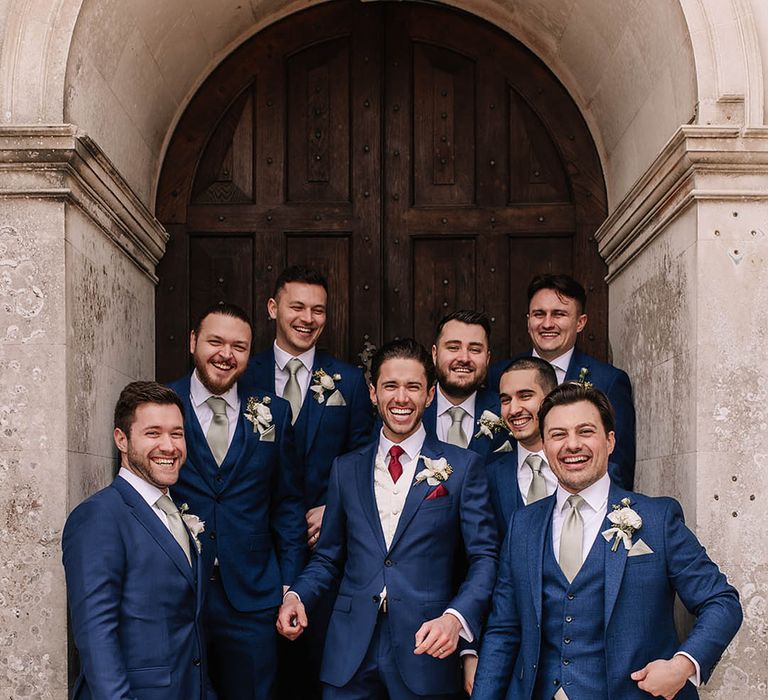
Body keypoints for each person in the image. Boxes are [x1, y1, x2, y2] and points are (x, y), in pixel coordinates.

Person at [471, 383, 742, 700]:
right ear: (544, 445)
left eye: (585, 431)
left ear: (610, 441)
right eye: (558, 435)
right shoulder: (523, 525)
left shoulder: (657, 518)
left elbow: (721, 602)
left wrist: (682, 666)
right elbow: (503, 629)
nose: (572, 445)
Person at [277, 339, 499, 699]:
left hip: (425, 646)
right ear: (372, 393)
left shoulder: (463, 467)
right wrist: (298, 597)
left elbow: (484, 558)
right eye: (390, 386)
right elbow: (328, 557)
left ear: (429, 396)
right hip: (349, 651)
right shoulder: (345, 469)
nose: (401, 398)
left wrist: (455, 619)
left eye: (413, 387)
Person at [242, 265, 374, 697]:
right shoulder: (245, 373)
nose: (307, 318)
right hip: (256, 547)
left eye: (318, 310)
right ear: (272, 308)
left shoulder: (350, 381)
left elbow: (363, 456)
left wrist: (335, 509)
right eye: (297, 306)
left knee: (317, 668)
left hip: (326, 548)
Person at [168, 303, 306, 700]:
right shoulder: (162, 404)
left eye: (239, 347)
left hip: (253, 595)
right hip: (178, 590)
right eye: (215, 341)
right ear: (194, 341)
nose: (226, 354)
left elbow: (288, 504)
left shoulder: (274, 413)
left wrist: (289, 586)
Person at [62, 381, 215, 699]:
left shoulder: (174, 512)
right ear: (122, 439)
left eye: (176, 433)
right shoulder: (99, 516)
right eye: (153, 433)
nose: (169, 446)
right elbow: (96, 634)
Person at [489, 273, 636, 490]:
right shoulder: (498, 375)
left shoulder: (609, 381)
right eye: (539, 314)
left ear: (580, 322)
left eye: (559, 314)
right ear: (528, 320)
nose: (547, 323)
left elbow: (619, 467)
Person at [486, 357, 558, 538]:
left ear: (551, 399)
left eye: (525, 396)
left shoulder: (584, 466)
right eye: (505, 400)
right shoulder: (489, 476)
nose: (513, 409)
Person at [425, 310, 510, 460]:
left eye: (475, 350)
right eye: (453, 348)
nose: (464, 358)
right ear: (435, 354)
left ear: (487, 358)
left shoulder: (506, 411)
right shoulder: (411, 409)